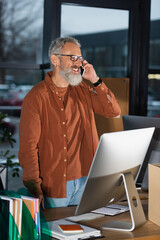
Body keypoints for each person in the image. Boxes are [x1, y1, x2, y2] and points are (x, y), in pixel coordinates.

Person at [18, 36, 121, 209]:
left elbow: (113, 111)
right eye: (72, 57)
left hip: (86, 181)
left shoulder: (83, 90)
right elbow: (28, 148)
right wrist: (35, 187)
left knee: (85, 233)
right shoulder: (36, 97)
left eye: (80, 58)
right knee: (54, 235)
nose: (78, 63)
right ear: (55, 60)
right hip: (54, 187)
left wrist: (95, 80)